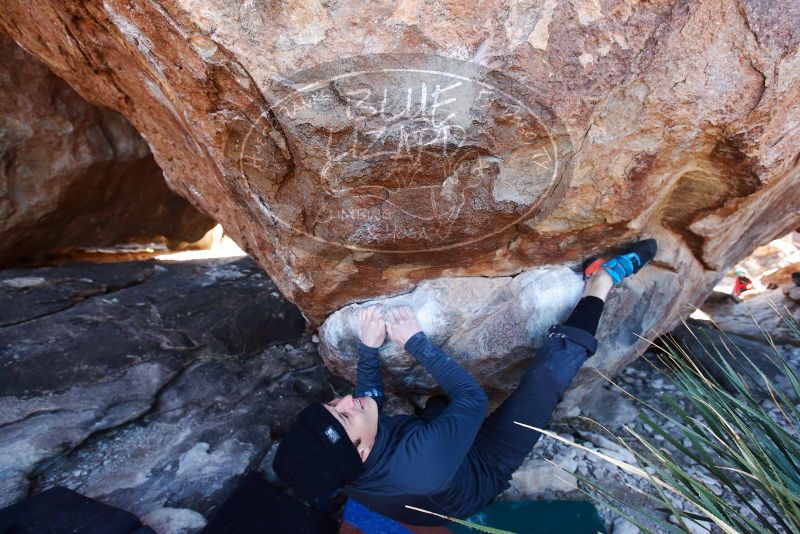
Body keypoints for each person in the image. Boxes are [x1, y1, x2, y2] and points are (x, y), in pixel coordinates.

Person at [273, 239, 658, 526]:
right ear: (360, 452)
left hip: (427, 473)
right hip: (483, 468)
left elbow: (366, 405)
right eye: (343, 417)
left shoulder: (345, 460)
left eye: (332, 405)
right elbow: (471, 399)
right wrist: (415, 343)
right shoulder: (419, 465)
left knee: (437, 407)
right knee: (551, 376)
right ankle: (604, 280)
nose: (344, 401)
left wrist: (369, 350)